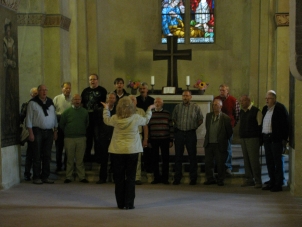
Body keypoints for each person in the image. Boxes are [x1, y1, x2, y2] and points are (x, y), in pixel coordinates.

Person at [102, 97, 155, 210]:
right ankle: (129, 204)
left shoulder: (115, 118)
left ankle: (120, 204)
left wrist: (106, 109)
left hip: (117, 151)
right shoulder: (135, 117)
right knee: (131, 178)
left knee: (119, 178)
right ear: (131, 107)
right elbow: (146, 120)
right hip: (132, 150)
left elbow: (106, 120)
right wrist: (149, 109)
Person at [25, 85, 58, 184]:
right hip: (37, 131)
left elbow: (54, 117)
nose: (44, 92)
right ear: (38, 91)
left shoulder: (50, 103)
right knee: (37, 155)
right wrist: (30, 133)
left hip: (49, 132)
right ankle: (36, 177)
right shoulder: (32, 103)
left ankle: (45, 176)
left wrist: (55, 131)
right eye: (42, 90)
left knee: (47, 155)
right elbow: (29, 119)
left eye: (45, 90)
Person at [172, 90, 204, 185]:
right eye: (184, 96)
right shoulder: (177, 107)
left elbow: (200, 119)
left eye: (187, 96)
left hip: (191, 133)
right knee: (178, 156)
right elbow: (174, 118)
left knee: (192, 156)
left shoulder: (196, 107)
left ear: (191, 97)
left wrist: (194, 127)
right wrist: (177, 127)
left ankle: (193, 178)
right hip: (180, 133)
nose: (185, 97)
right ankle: (177, 177)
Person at [261, 90, 289, 192]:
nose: (267, 100)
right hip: (267, 138)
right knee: (269, 161)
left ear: (274, 99)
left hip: (276, 139)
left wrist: (284, 139)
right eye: (266, 98)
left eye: (269, 98)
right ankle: (272, 180)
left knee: (277, 161)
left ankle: (279, 182)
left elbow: (285, 124)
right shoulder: (265, 109)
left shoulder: (280, 108)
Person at [59, 94, 89, 183]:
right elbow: (62, 124)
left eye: (78, 99)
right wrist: (68, 131)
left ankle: (81, 177)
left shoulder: (84, 112)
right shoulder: (67, 112)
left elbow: (87, 124)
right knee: (70, 159)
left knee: (80, 159)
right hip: (69, 138)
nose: (77, 101)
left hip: (81, 138)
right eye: (75, 99)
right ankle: (68, 176)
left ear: (81, 101)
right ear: (72, 101)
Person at [203, 99, 233, 186]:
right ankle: (210, 178)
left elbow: (229, 132)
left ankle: (220, 179)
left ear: (221, 106)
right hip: (209, 143)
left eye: (216, 105)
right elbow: (208, 128)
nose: (214, 106)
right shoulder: (208, 116)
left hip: (219, 144)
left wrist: (223, 140)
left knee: (220, 163)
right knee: (208, 162)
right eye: (213, 105)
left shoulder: (225, 118)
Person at [81, 73, 107, 162]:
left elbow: (105, 104)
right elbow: (82, 104)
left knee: (97, 138)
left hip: (98, 119)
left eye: (94, 79)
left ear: (97, 80)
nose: (92, 81)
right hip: (87, 118)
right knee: (88, 138)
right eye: (91, 79)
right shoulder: (85, 91)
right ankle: (87, 157)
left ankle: (97, 157)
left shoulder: (102, 90)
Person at [214, 84, 240, 175]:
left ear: (227, 91)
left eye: (223, 90)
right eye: (220, 90)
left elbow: (237, 115)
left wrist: (232, 125)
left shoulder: (233, 100)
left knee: (228, 147)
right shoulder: (216, 99)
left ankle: (228, 166)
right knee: (217, 147)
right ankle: (218, 166)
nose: (221, 92)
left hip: (228, 128)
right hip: (217, 127)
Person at [148, 97, 174, 184]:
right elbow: (147, 127)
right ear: (154, 103)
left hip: (165, 139)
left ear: (162, 103)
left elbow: (170, 126)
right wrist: (148, 140)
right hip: (154, 139)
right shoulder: (150, 113)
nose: (158, 103)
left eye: (159, 102)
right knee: (154, 159)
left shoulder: (167, 113)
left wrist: (171, 139)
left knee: (165, 159)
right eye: (156, 102)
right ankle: (156, 178)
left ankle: (165, 178)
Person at [239, 95, 263, 188]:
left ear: (248, 100)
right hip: (243, 138)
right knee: (246, 160)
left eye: (243, 101)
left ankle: (258, 181)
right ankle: (249, 179)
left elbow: (260, 125)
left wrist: (260, 139)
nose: (241, 103)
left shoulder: (256, 111)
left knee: (254, 160)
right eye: (240, 101)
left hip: (253, 138)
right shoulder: (242, 112)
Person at [95, 92, 116, 184]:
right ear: (107, 99)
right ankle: (102, 178)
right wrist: (98, 136)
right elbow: (97, 124)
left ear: (115, 99)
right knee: (104, 158)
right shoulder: (100, 110)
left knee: (115, 159)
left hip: (114, 137)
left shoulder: (118, 110)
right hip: (103, 136)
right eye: (109, 98)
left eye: (113, 98)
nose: (111, 100)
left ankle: (116, 178)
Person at [20, 87, 38, 181]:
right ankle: (27, 173)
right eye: (34, 93)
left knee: (38, 154)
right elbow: (21, 117)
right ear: (31, 95)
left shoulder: (41, 104)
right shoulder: (26, 105)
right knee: (30, 154)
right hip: (31, 131)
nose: (36, 95)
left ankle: (37, 173)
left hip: (40, 131)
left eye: (37, 93)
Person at [129, 95, 148, 185]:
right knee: (127, 158)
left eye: (134, 100)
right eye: (130, 100)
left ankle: (137, 177)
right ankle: (128, 176)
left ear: (136, 102)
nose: (132, 101)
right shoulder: (124, 111)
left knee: (138, 158)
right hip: (127, 137)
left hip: (138, 136)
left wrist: (145, 139)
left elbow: (145, 126)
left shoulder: (140, 111)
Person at [53, 82, 72, 172]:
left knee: (68, 148)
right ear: (62, 89)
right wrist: (55, 129)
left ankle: (67, 165)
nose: (68, 90)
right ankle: (58, 165)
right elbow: (53, 114)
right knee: (59, 147)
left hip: (69, 125)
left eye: (69, 88)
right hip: (59, 123)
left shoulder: (72, 99)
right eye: (66, 88)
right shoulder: (57, 99)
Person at [136, 83, 155, 174]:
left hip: (149, 125)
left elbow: (153, 113)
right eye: (141, 89)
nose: (142, 90)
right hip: (138, 126)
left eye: (144, 88)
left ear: (147, 90)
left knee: (147, 147)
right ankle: (140, 167)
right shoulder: (136, 100)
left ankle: (148, 167)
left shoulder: (152, 100)